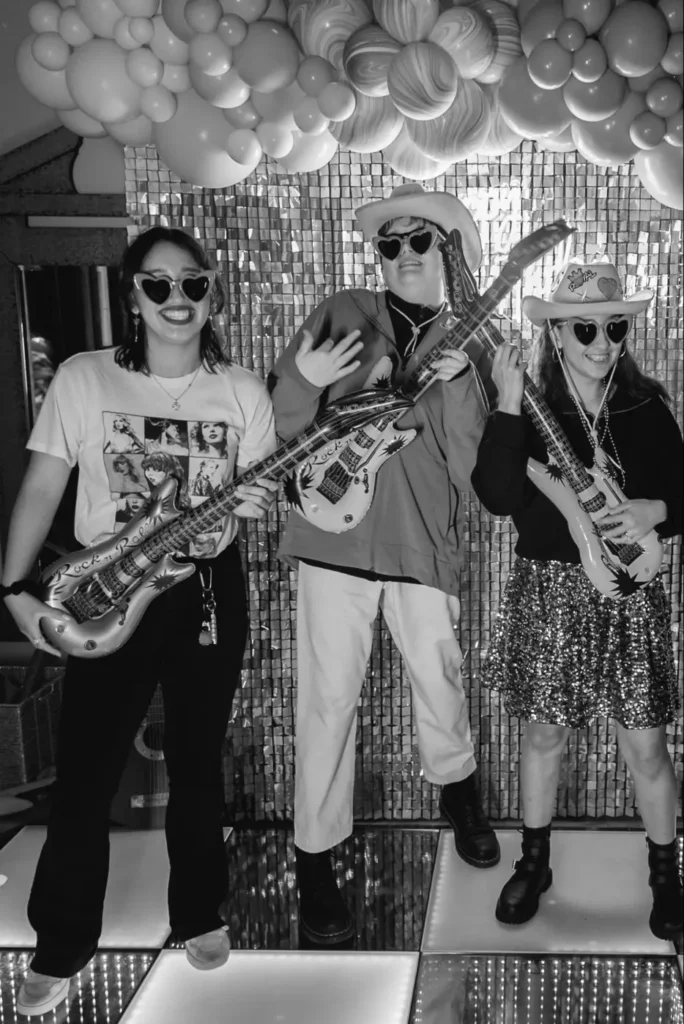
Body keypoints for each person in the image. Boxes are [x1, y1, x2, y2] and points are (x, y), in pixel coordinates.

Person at [1, 226, 279, 1017]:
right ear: (132, 296)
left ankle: (199, 912)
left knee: (198, 761)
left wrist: (250, 509)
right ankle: (61, 943)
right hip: (106, 585)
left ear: (211, 292)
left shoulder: (244, 392)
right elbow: (41, 487)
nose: (175, 298)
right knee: (86, 770)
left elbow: (252, 501)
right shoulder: (84, 379)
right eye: (157, 284)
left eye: (191, 283)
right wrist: (15, 587)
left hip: (206, 589)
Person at [268, 183, 501, 945]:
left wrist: (463, 385)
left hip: (422, 542)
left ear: (449, 251)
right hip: (330, 540)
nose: (402, 253)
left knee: (440, 679)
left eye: (418, 239)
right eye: (389, 243)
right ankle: (313, 856)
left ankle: (458, 793)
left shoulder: (474, 341)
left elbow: (476, 475)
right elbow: (284, 431)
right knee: (327, 700)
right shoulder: (342, 311)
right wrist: (303, 381)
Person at [471, 259, 682, 939]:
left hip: (629, 594)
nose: (601, 342)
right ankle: (533, 864)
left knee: (647, 745)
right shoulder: (534, 410)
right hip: (550, 591)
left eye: (614, 327)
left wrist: (656, 509)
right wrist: (507, 405)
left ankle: (666, 874)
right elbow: (497, 496)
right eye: (584, 328)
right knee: (543, 734)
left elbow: (681, 491)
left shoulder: (645, 407)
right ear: (556, 333)